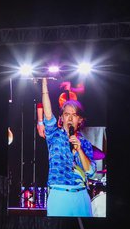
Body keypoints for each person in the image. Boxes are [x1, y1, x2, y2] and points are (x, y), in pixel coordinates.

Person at [40, 78, 96, 217]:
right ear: (61, 118)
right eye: (66, 114)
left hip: (81, 195)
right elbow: (48, 114)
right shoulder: (54, 135)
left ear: (80, 120)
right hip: (59, 195)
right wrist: (44, 85)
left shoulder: (85, 143)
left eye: (74, 115)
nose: (70, 118)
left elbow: (91, 172)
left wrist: (79, 150)